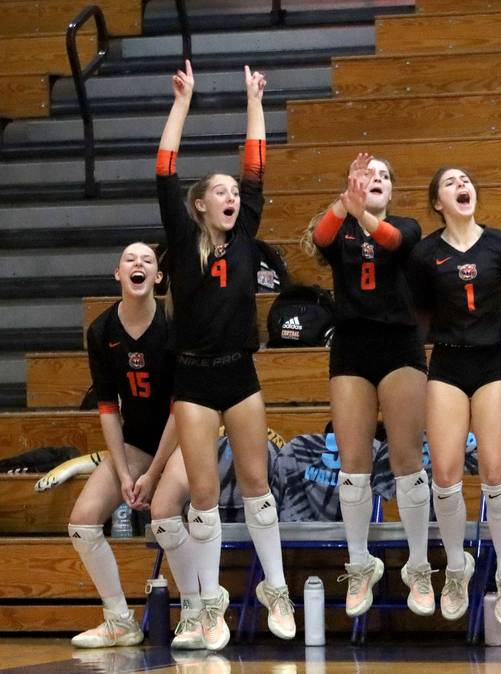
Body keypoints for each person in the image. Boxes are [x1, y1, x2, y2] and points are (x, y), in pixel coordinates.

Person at [157, 60, 294, 649]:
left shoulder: (247, 239)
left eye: (235, 192)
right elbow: (165, 169)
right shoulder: (181, 245)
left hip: (240, 374)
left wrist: (254, 100)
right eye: (220, 191)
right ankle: (210, 606)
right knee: (205, 494)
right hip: (191, 378)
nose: (232, 195)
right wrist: (183, 101)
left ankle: (277, 588)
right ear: (198, 206)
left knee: (258, 485)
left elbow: (257, 166)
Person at [302, 153, 432, 618]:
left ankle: (418, 566)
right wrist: (344, 204)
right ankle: (360, 564)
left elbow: (393, 240)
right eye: (366, 175)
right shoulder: (341, 226)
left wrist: (361, 211)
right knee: (353, 465)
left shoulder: (409, 226)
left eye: (383, 176)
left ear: (392, 190)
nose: (375, 180)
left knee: (406, 461)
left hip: (400, 347)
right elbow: (319, 239)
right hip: (352, 349)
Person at [406, 167, 501, 628]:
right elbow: (417, 317)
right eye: (451, 183)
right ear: (437, 201)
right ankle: (456, 567)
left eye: (467, 181)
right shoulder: (425, 254)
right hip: (447, 363)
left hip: (494, 361)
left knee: (497, 474)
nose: (463, 186)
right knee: (445, 474)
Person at [69, 242, 182, 648]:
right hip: (136, 441)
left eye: (147, 261)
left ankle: (198, 612)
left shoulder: (174, 322)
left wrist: (153, 474)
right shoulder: (101, 331)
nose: (138, 265)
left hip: (183, 436)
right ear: (118, 274)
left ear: (158, 277)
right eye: (129, 260)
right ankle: (119, 620)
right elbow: (107, 409)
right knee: (82, 521)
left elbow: (181, 407)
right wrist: (122, 473)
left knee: (165, 515)